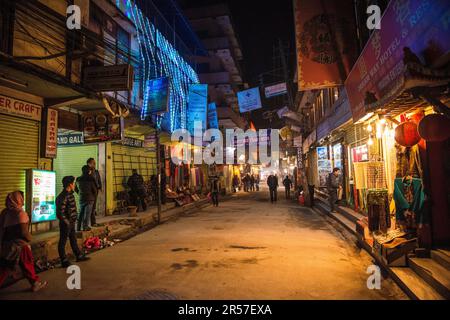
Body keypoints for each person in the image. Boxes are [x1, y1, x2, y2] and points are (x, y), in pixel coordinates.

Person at [0, 191, 48, 292]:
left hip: (7, 244)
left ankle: (34, 282)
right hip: (20, 245)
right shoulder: (20, 213)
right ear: (18, 200)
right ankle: (35, 283)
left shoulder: (5, 212)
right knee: (26, 264)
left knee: (6, 266)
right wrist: (31, 240)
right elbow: (23, 232)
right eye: (22, 198)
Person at [56, 176, 89, 268]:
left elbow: (71, 209)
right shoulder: (63, 196)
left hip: (71, 222)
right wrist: (67, 223)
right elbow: (60, 213)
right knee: (62, 241)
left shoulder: (70, 194)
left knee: (73, 239)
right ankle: (64, 260)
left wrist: (74, 219)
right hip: (66, 223)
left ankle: (78, 255)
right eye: (73, 183)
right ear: (70, 184)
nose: (74, 185)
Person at [75, 165, 97, 231]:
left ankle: (78, 227)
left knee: (81, 213)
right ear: (88, 171)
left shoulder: (78, 179)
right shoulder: (91, 178)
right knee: (87, 214)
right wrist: (94, 195)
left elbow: (75, 188)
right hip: (90, 198)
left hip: (82, 198)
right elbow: (94, 190)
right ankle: (85, 227)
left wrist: (79, 193)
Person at [87, 158, 101, 227]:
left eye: (95, 163)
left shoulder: (96, 171)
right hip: (90, 192)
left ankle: (93, 222)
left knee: (93, 207)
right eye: (93, 163)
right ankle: (89, 223)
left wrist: (100, 187)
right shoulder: (87, 171)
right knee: (90, 208)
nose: (94, 164)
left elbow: (99, 179)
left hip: (95, 191)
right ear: (89, 164)